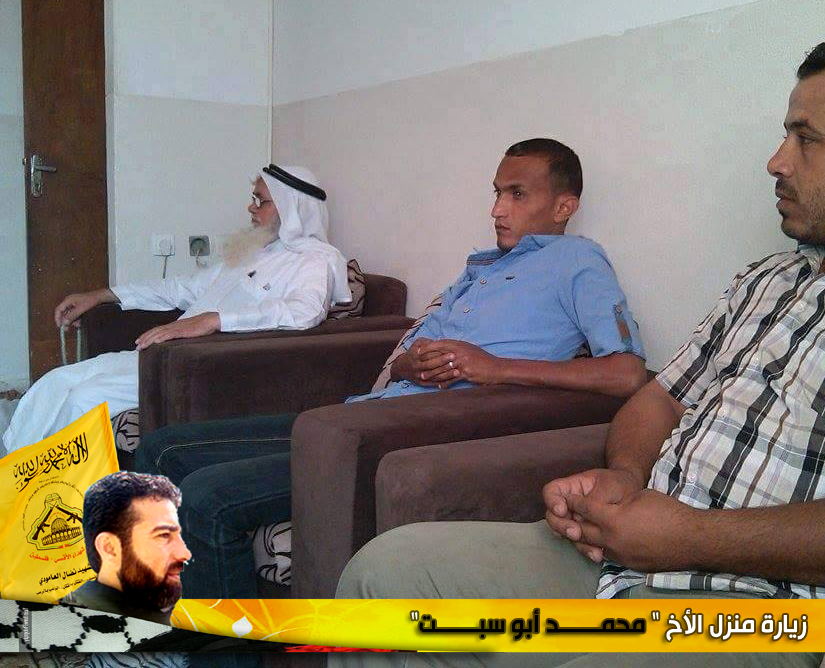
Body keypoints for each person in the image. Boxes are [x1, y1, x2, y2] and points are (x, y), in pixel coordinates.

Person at [332, 40, 825, 668]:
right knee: (382, 579)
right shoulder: (767, 279)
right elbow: (658, 396)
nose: (777, 161)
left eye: (807, 139)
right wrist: (627, 477)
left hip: (766, 610)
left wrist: (690, 537)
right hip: (623, 560)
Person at [136, 138, 649, 598]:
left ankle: (213, 652)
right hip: (371, 409)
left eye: (517, 195)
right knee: (163, 447)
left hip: (414, 432)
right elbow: (407, 355)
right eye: (496, 193)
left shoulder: (578, 262)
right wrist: (410, 363)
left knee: (207, 499)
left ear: (564, 207)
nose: (497, 209)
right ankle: (154, 603)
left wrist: (494, 367)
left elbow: (627, 373)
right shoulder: (483, 268)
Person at [2, 165, 351, 456]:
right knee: (55, 382)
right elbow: (180, 288)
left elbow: (304, 312)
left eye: (262, 201)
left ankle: (56, 494)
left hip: (198, 366)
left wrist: (213, 320)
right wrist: (103, 295)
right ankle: (13, 475)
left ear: (292, 208)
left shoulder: (314, 261)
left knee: (84, 398)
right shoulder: (255, 251)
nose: (251, 207)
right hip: (163, 353)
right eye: (254, 198)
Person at [60, 471, 191, 625]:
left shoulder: (187, 614)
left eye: (178, 536)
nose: (184, 553)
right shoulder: (70, 628)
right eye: (163, 535)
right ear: (110, 548)